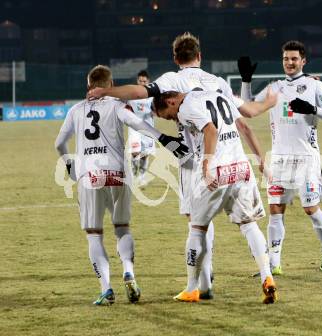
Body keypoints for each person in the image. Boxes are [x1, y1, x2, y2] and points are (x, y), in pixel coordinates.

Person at [87, 32, 271, 300]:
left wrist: (106, 91)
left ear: (175, 57)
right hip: (233, 157)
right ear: (200, 55)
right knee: (246, 222)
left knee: (197, 224)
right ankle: (264, 274)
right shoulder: (217, 81)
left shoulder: (171, 80)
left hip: (193, 161)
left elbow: (139, 92)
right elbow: (245, 114)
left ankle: (201, 285)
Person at [54, 65, 189, 305]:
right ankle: (129, 271)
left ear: (89, 85)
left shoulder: (75, 110)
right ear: (111, 84)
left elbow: (59, 143)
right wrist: (164, 139)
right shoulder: (117, 106)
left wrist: (70, 167)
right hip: (118, 173)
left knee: (94, 234)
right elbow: (137, 123)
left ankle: (106, 288)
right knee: (122, 228)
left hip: (90, 176)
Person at [153, 89, 278, 304]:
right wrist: (261, 161)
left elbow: (211, 131)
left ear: (171, 101)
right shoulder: (219, 95)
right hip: (240, 168)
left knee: (197, 229)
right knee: (249, 225)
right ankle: (267, 276)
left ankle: (192, 288)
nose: (173, 119)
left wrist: (206, 164)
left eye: (168, 115)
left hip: (217, 172)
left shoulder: (186, 108)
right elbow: (245, 126)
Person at [239, 40, 322, 273]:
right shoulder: (275, 87)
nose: (289, 62)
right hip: (280, 159)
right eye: (286, 58)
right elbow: (248, 107)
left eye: (294, 59)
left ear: (303, 61)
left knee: (311, 210)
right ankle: (274, 263)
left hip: (306, 157)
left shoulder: (315, 86)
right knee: (275, 210)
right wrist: (246, 81)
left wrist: (313, 110)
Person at [127, 70, 155, 185]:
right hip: (134, 128)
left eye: (144, 81)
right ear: (137, 81)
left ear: (148, 81)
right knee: (135, 152)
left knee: (144, 155)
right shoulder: (131, 94)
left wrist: (154, 111)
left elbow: (157, 110)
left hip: (148, 129)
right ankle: (133, 175)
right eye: (140, 81)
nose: (142, 83)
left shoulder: (153, 96)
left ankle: (142, 177)